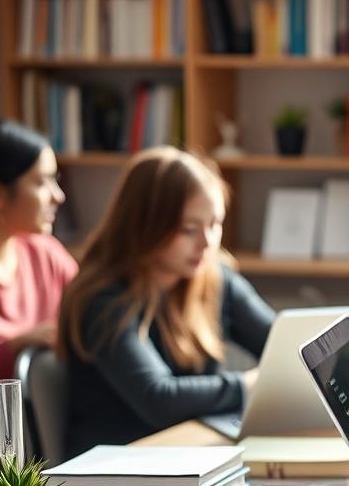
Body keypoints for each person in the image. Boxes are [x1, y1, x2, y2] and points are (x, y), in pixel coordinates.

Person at [58, 147, 274, 458]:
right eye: (189, 229)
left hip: (184, 454)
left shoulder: (214, 278)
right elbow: (158, 398)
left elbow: (281, 344)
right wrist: (249, 386)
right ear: (145, 225)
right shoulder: (102, 299)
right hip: (117, 467)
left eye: (215, 224)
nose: (207, 242)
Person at [0, 107, 77, 475]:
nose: (58, 196)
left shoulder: (47, 255)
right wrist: (17, 345)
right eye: (43, 182)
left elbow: (90, 316)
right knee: (9, 432)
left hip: (44, 410)